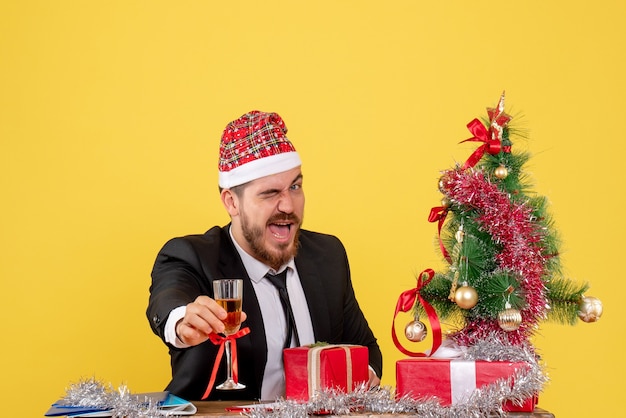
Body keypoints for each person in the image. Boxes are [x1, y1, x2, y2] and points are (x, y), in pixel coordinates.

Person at [147, 110, 382, 401]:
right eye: (270, 193)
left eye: (295, 186)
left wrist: (361, 375)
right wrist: (182, 321)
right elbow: (170, 300)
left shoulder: (328, 255)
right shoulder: (193, 256)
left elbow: (365, 350)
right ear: (232, 202)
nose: (287, 205)